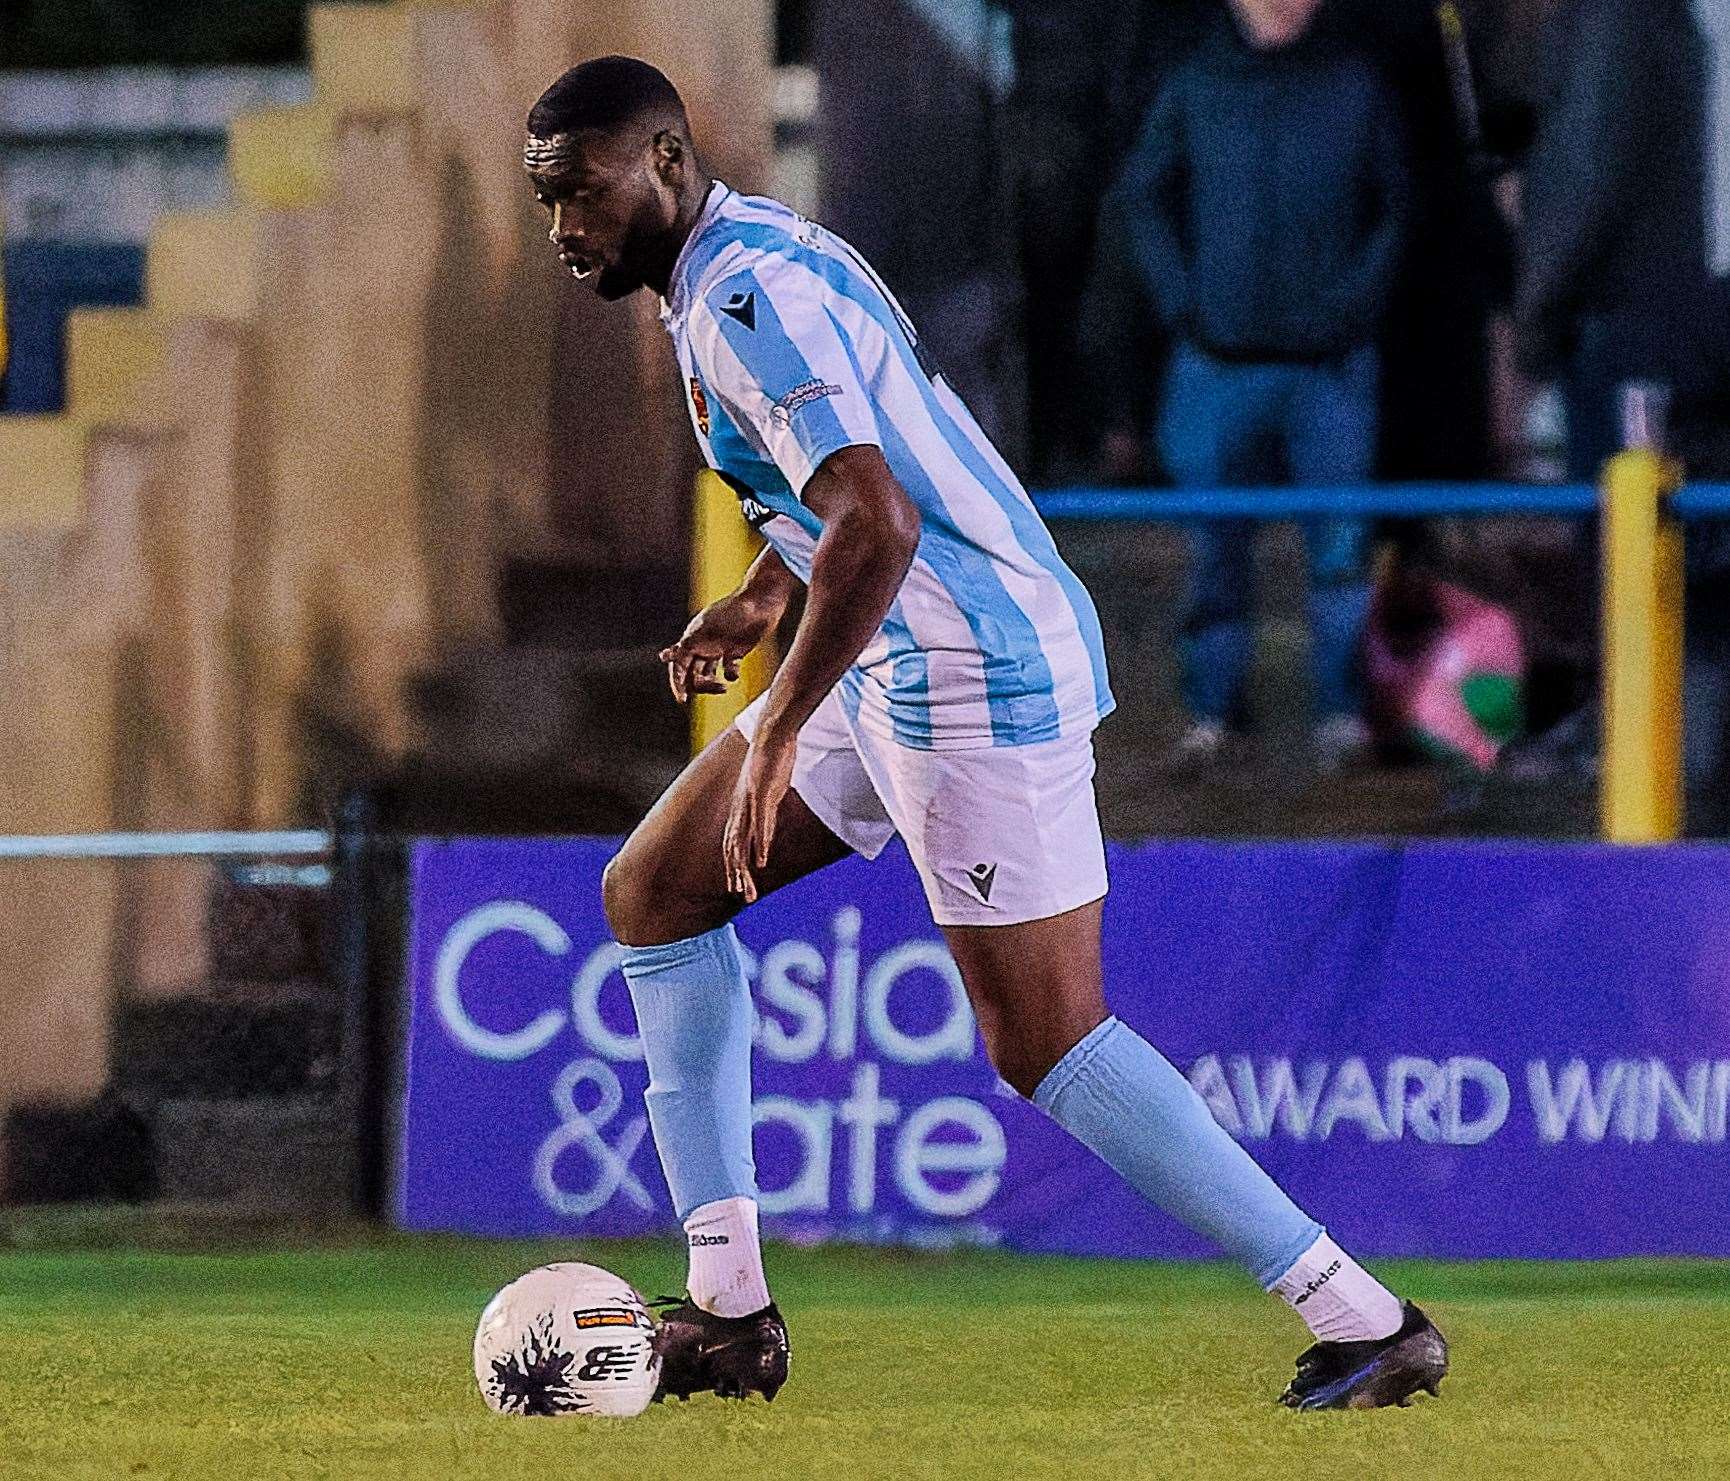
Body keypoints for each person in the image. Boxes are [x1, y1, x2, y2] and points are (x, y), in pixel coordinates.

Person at [521, 55, 1447, 1411]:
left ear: (660, 159)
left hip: (970, 666)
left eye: (581, 192)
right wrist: (764, 589)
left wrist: (777, 716)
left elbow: (881, 519)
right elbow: (851, 477)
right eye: (545, 202)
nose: (564, 227)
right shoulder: (751, 258)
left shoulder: (740, 297)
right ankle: (725, 1312)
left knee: (1045, 1041)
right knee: (653, 893)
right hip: (901, 648)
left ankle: (1362, 1316)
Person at [1112, 0, 1412, 770]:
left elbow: (1395, 206)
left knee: (1340, 551)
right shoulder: (1195, 81)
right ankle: (1214, 715)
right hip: (1217, 365)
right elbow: (1144, 194)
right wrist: (1185, 304)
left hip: (1331, 371)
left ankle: (1340, 718)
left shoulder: (1357, 83)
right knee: (1213, 550)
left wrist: (1352, 309)